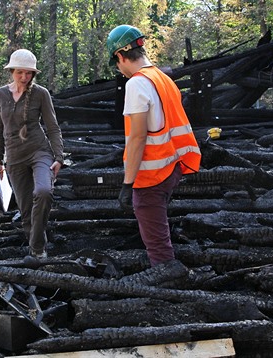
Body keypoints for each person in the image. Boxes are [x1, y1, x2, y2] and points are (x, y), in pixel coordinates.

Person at [106, 25, 201, 267]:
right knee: (157, 229)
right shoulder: (163, 79)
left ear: (120, 56)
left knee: (158, 246)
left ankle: (167, 284)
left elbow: (137, 137)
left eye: (116, 63)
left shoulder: (137, 84)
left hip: (151, 177)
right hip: (172, 167)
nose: (120, 70)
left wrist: (128, 184)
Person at [0, 49, 64, 259]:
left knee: (43, 192)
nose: (24, 77)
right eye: (20, 73)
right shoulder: (1, 94)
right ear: (12, 71)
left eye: (29, 73)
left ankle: (37, 250)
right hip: (14, 157)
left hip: (39, 151)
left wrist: (59, 157)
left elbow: (53, 127)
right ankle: (37, 252)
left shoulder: (41, 93)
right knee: (25, 210)